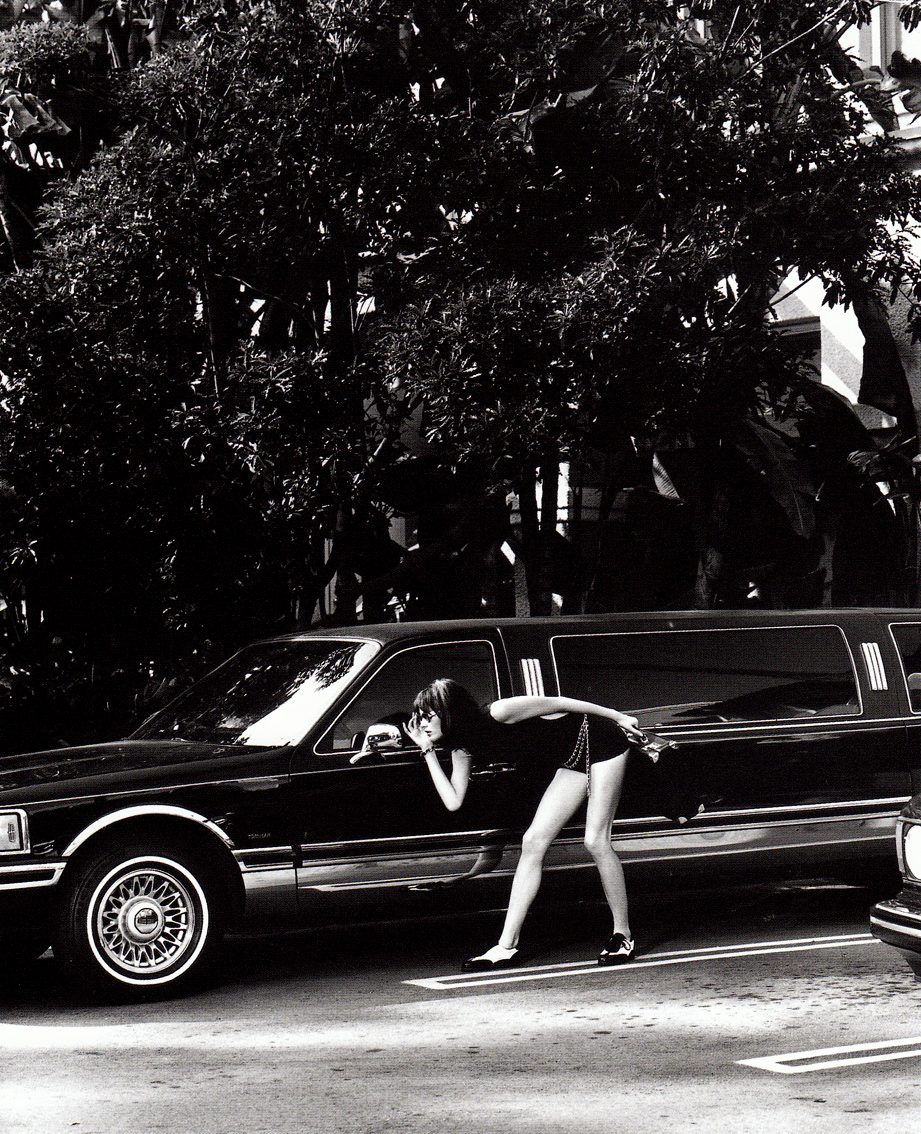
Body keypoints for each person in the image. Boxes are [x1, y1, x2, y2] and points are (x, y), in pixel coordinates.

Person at [358, 678, 641, 971]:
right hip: (571, 759)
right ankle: (506, 947)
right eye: (420, 717)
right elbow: (453, 801)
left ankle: (623, 936)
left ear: (449, 711)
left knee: (595, 841)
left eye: (429, 716)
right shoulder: (461, 748)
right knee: (532, 842)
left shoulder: (500, 712)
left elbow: (560, 702)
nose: (423, 724)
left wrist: (618, 717)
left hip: (601, 742)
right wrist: (427, 750)